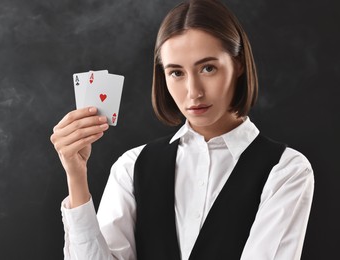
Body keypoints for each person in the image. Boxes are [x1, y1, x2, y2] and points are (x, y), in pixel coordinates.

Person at [50, 0, 314, 259]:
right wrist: (76, 175)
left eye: (208, 68)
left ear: (239, 65)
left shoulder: (286, 171)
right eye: (176, 73)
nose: (193, 92)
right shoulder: (131, 167)